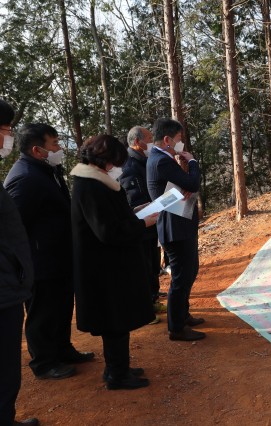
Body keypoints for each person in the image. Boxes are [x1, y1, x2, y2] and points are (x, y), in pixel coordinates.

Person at [4, 123, 94, 381]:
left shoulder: (46, 170)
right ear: (37, 150)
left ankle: (63, 350)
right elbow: (15, 226)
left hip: (58, 257)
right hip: (40, 262)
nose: (59, 149)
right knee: (42, 312)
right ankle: (44, 362)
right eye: (54, 144)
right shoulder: (24, 178)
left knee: (61, 307)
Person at [70, 134, 158, 390]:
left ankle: (117, 367)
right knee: (115, 322)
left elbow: (112, 218)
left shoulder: (96, 181)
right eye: (115, 161)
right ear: (105, 159)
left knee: (117, 322)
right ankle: (117, 375)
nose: (117, 167)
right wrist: (142, 223)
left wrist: (135, 215)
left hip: (110, 266)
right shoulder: (90, 185)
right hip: (105, 270)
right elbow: (107, 231)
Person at [146, 118, 204, 341]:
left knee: (188, 272)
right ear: (168, 140)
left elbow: (184, 186)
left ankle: (183, 315)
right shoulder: (162, 161)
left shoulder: (162, 159)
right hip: (174, 226)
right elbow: (193, 183)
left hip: (179, 221)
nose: (181, 144)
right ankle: (176, 327)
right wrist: (192, 162)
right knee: (181, 277)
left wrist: (182, 187)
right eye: (179, 139)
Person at [0, 100, 40, 426]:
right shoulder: (21, 177)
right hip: (2, 290)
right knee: (4, 365)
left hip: (8, 284)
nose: (8, 137)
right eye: (6, 130)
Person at [119, 126, 165, 322]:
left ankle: (152, 297)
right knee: (144, 267)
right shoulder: (128, 166)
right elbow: (135, 200)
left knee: (153, 264)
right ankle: (145, 307)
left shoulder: (145, 161)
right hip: (141, 226)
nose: (152, 141)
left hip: (152, 222)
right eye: (148, 138)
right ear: (137, 142)